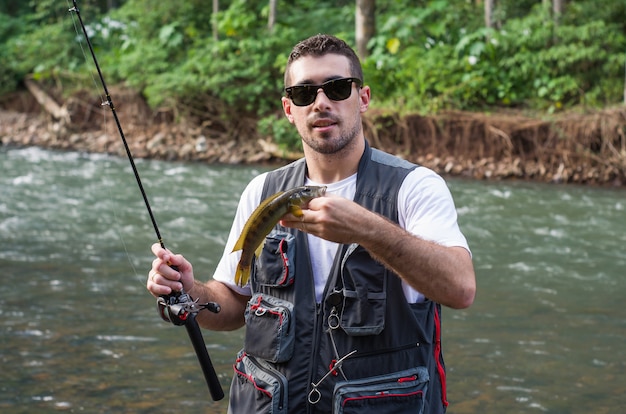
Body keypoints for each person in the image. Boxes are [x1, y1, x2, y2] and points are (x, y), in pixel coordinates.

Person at [147, 34, 475, 413]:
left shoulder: (415, 188)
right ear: (289, 109)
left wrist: (368, 229)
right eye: (304, 94)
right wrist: (189, 291)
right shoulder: (262, 192)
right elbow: (232, 306)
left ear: (362, 98)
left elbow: (460, 289)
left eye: (336, 88)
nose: (321, 103)